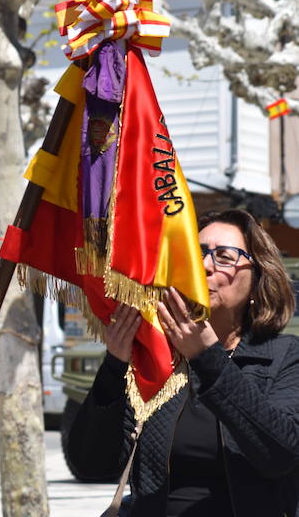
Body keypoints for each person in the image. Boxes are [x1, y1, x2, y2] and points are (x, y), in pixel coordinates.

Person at [66, 209, 299, 516]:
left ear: (257, 282)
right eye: (196, 253)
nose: (204, 266)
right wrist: (114, 366)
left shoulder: (284, 355)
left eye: (225, 257)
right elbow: (90, 464)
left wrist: (207, 358)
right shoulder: (155, 358)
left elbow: (280, 454)